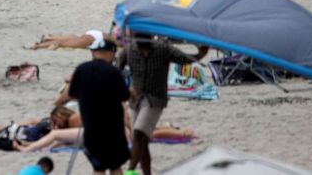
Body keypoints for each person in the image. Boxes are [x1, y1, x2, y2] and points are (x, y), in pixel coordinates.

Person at [117, 35, 209, 175]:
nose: (143, 52)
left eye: (145, 49)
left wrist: (202, 54)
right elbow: (116, 70)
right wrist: (123, 90)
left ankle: (130, 170)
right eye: (140, 49)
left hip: (155, 99)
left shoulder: (163, 48)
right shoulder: (129, 49)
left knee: (138, 132)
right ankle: (146, 173)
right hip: (135, 100)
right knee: (142, 141)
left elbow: (184, 59)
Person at [55, 38, 130, 175]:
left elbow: (72, 93)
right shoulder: (113, 72)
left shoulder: (81, 69)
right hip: (113, 128)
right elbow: (124, 96)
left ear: (93, 52)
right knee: (115, 167)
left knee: (98, 168)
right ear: (111, 53)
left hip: (91, 128)